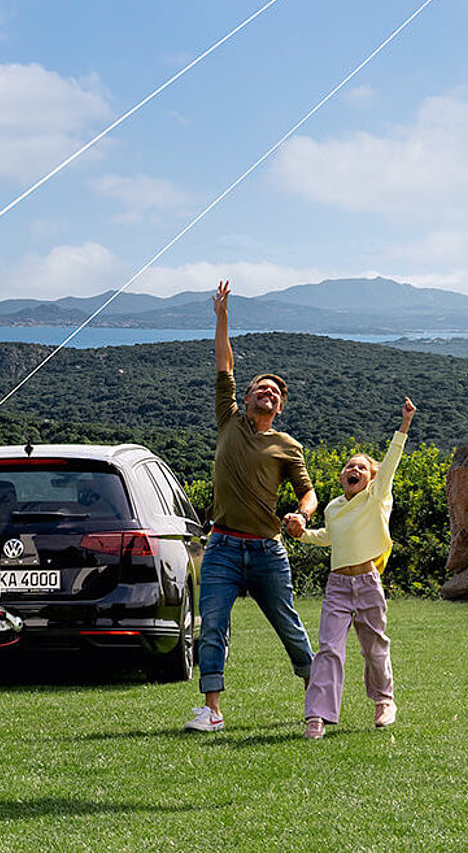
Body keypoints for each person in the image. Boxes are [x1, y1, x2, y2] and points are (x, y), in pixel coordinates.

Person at [186, 280, 317, 733]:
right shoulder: (229, 420)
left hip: (267, 550)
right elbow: (224, 361)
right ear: (246, 398)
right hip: (221, 546)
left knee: (289, 625)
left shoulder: (287, 445)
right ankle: (212, 710)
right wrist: (221, 316)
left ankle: (317, 699)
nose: (268, 393)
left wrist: (302, 514)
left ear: (279, 408)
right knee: (213, 625)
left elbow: (309, 492)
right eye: (261, 388)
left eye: (275, 393)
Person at [288, 396, 414, 738]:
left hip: (368, 583)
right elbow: (329, 537)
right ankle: (318, 716)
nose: (353, 470)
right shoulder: (333, 507)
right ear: (343, 476)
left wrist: (403, 425)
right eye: (349, 466)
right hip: (338, 587)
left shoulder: (376, 498)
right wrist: (300, 533)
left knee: (374, 648)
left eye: (361, 467)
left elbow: (389, 464)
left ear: (371, 479)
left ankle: (384, 701)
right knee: (329, 649)